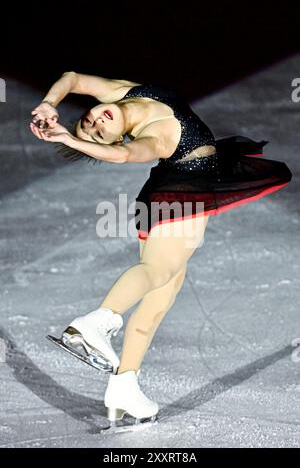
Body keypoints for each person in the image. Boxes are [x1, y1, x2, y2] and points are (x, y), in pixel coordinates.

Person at [30, 71, 292, 426]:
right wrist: (70, 140)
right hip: (180, 195)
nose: (96, 124)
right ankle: (96, 323)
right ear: (112, 139)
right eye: (97, 135)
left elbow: (72, 78)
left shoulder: (127, 93)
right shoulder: (152, 138)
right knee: (159, 271)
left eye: (88, 123)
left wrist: (49, 103)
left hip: (168, 194)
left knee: (161, 296)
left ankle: (124, 384)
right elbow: (123, 156)